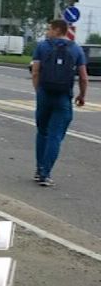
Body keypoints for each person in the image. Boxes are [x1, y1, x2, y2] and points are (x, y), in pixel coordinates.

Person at [31, 19, 88, 187]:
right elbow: (83, 77)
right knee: (55, 136)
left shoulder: (42, 47)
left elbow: (35, 72)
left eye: (49, 29)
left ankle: (39, 169)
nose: (47, 32)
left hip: (44, 94)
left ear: (57, 30)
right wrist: (82, 95)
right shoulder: (76, 49)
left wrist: (38, 91)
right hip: (63, 96)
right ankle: (45, 174)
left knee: (42, 132)